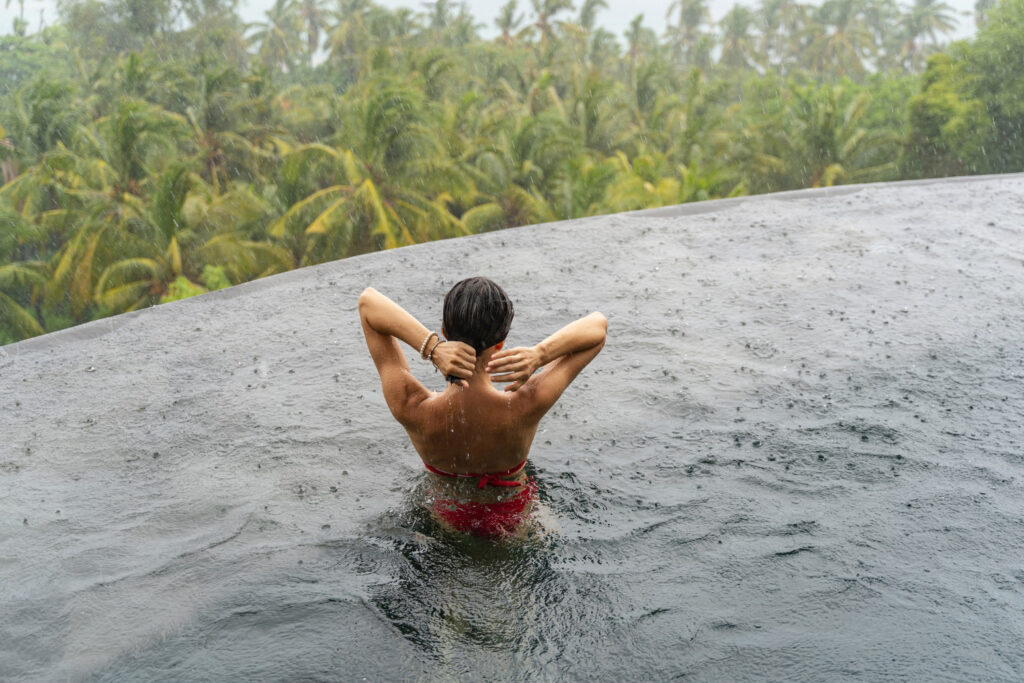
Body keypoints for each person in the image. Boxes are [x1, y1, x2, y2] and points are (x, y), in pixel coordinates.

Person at [358, 277, 607, 538]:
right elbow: (598, 327)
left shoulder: (411, 405)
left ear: (444, 331)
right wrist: (540, 354)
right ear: (501, 343)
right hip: (518, 523)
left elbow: (368, 304)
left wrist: (432, 348)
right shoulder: (527, 404)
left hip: (446, 522)